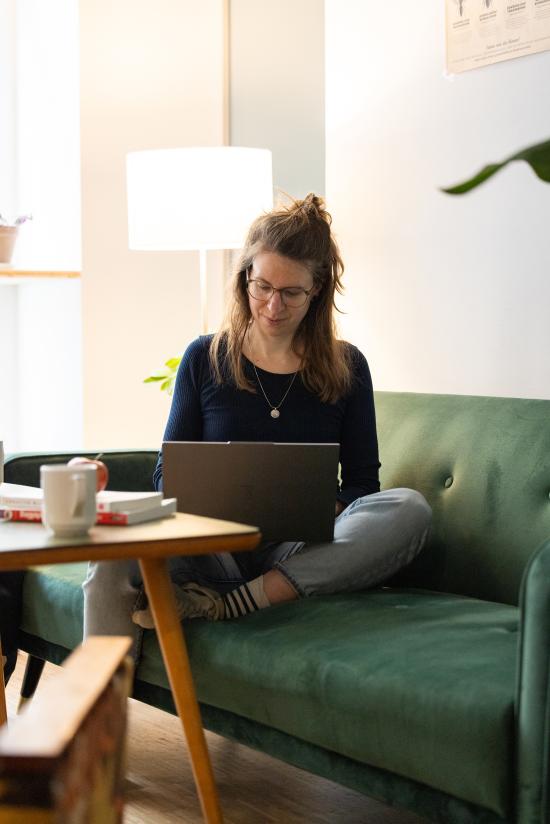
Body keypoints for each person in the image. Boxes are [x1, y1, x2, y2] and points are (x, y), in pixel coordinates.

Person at [83, 194, 431, 651]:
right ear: (245, 276)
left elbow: (364, 485)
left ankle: (239, 601)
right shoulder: (204, 358)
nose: (272, 306)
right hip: (210, 549)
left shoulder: (349, 366)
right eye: (262, 286)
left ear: (318, 292)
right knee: (112, 553)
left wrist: (317, 508)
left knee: (409, 509)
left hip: (295, 553)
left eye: (291, 293)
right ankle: (99, 702)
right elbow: (166, 474)